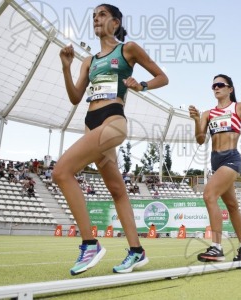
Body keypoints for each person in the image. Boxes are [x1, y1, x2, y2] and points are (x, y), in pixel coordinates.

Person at [55, 3, 168, 276]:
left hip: (113, 120)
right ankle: (137, 251)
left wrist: (140, 85)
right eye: (93, 16)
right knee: (117, 190)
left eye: (102, 15)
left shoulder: (127, 49)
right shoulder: (89, 61)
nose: (96, 19)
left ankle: (90, 243)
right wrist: (66, 67)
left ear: (115, 23)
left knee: (61, 172)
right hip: (90, 123)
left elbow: (162, 77)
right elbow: (74, 97)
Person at [189, 74, 241, 262]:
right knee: (232, 206)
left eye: (220, 85)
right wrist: (195, 120)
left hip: (231, 158)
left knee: (209, 195)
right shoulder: (208, 113)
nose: (216, 88)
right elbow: (200, 140)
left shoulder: (240, 107)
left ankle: (216, 247)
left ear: (230, 89)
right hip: (215, 161)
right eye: (213, 85)